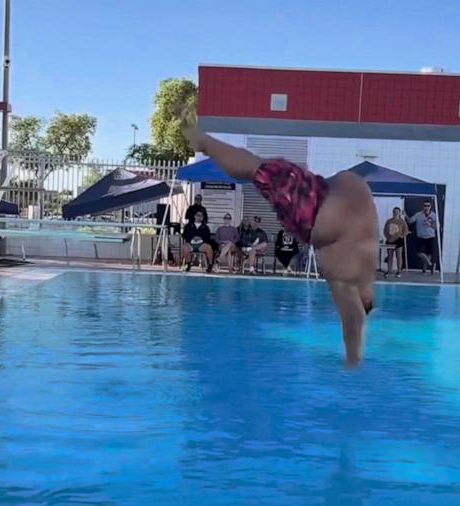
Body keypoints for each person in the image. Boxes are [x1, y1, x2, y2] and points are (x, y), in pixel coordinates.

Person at [185, 127, 377, 366]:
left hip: (323, 194)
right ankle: (353, 364)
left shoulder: (357, 219)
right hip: (326, 213)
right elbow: (354, 313)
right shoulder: (356, 250)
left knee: (256, 166)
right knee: (347, 291)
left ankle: (206, 142)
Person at [407, 201, 439, 274]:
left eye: (428, 206)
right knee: (420, 253)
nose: (426, 207)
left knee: (429, 254)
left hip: (431, 237)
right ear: (423, 206)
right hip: (421, 237)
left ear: (430, 207)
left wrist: (430, 225)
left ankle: (424, 269)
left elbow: (436, 227)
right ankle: (431, 265)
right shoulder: (418, 214)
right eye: (425, 205)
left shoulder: (434, 215)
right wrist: (405, 214)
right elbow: (410, 221)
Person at [383, 207, 408, 279]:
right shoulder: (389, 221)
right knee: (390, 256)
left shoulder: (402, 221)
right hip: (390, 240)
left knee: (398, 256)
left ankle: (399, 271)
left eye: (397, 212)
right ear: (393, 212)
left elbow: (406, 230)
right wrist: (387, 237)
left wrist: (401, 236)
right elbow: (385, 230)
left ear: (399, 213)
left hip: (399, 240)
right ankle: (389, 270)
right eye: (394, 212)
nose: (396, 213)